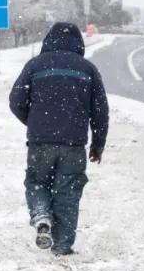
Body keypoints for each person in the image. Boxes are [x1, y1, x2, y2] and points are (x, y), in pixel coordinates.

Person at [9, 22, 108, 256]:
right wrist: (98, 144)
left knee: (37, 182)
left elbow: (16, 101)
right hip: (73, 144)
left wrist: (34, 122)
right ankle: (63, 247)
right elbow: (100, 111)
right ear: (79, 43)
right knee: (69, 192)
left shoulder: (35, 65)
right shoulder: (87, 69)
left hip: (40, 141)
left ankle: (41, 215)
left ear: (48, 41)